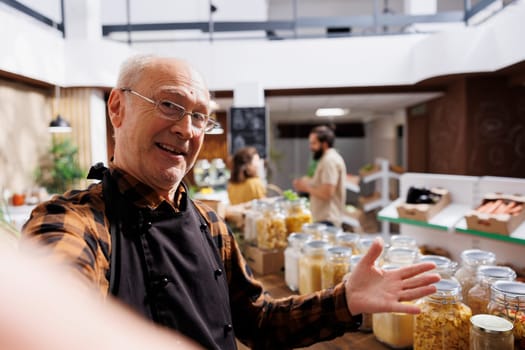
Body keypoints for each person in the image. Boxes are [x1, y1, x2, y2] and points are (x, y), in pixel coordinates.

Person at [22, 54, 439, 349]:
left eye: (201, 116)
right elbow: (51, 308)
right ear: (118, 107)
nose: (187, 129)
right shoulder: (76, 220)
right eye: (169, 105)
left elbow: (260, 322)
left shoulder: (209, 224)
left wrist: (344, 300)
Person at [292, 124, 346, 227]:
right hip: (323, 218)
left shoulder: (329, 161)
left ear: (324, 144)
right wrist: (309, 182)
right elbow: (323, 184)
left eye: (314, 143)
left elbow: (327, 193)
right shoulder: (326, 159)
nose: (311, 147)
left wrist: (305, 187)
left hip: (328, 219)